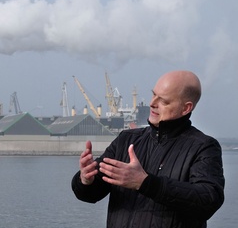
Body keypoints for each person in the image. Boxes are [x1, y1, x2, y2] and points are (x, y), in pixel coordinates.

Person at [71, 70, 225, 228]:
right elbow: (90, 195)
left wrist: (145, 183)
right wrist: (85, 179)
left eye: (163, 101)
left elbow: (209, 200)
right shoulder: (126, 140)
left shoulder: (203, 147)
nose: (152, 103)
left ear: (186, 108)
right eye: (154, 95)